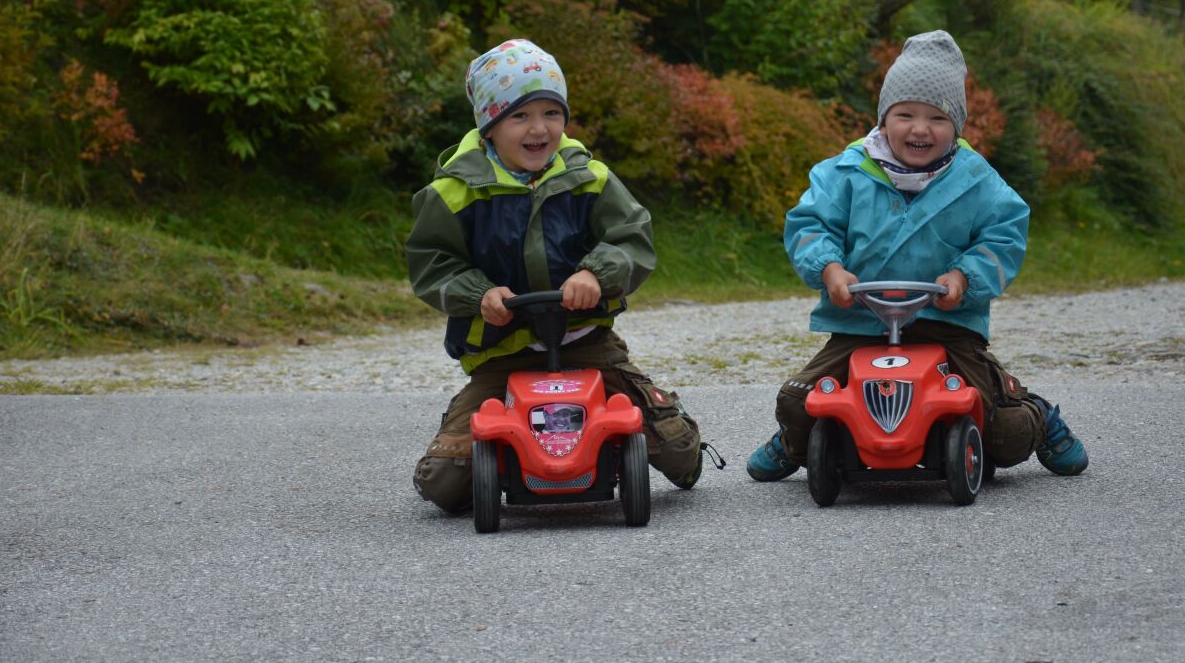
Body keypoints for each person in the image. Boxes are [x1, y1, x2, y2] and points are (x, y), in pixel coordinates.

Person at [746, 30, 1089, 483]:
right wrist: (829, 269)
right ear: (884, 118)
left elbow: (1003, 236)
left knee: (997, 434)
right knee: (797, 401)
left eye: (937, 118)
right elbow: (811, 225)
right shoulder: (844, 173)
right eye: (905, 114)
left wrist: (965, 278)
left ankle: (1035, 414)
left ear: (957, 126)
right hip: (861, 323)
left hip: (946, 326)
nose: (920, 129)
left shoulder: (977, 180)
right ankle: (796, 441)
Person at [406, 38, 705, 512]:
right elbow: (431, 262)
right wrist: (478, 293)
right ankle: (484, 442)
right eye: (520, 116)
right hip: (503, 352)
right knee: (442, 481)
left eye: (552, 113)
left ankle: (670, 421)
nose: (539, 129)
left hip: (585, 342)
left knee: (675, 449)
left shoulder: (591, 178)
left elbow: (632, 238)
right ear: (488, 126)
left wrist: (595, 273)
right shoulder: (453, 192)